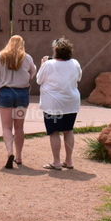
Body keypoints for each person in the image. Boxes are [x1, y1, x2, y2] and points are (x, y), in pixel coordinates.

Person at [0, 34, 36, 169]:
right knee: (19, 127)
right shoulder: (27, 57)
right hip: (22, 93)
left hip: (5, 93)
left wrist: (1, 82)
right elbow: (33, 73)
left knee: (6, 127)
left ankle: (10, 152)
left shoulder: (0, 56)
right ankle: (19, 157)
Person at [36, 37, 82, 170]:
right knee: (68, 130)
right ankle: (69, 161)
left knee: (54, 132)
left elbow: (39, 80)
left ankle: (56, 162)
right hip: (71, 102)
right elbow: (79, 78)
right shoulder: (75, 63)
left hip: (53, 104)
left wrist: (43, 64)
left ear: (56, 50)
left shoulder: (48, 64)